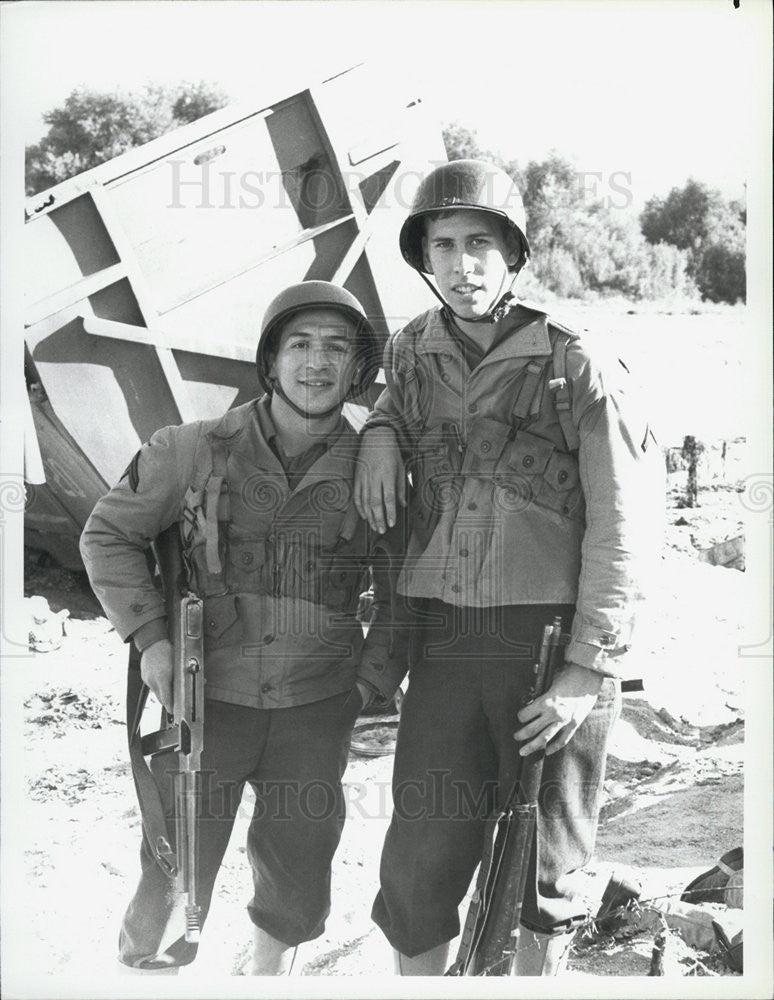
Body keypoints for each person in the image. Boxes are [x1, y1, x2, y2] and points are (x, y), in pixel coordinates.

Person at [353, 159, 663, 976]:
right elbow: (394, 404)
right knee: (419, 868)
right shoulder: (413, 350)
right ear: (424, 257)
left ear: (515, 253)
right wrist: (381, 436)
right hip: (446, 641)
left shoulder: (577, 360)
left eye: (481, 244)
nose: (462, 266)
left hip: (549, 646)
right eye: (444, 245)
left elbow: (625, 526)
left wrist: (585, 670)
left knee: (544, 873)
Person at [80, 281, 407, 974]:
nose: (316, 363)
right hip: (205, 704)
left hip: (315, 711)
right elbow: (107, 536)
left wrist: (369, 685)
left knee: (296, 878)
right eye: (299, 344)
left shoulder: (376, 468)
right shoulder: (190, 450)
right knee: (172, 872)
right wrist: (151, 639)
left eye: (335, 349)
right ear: (269, 361)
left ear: (356, 370)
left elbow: (406, 586)